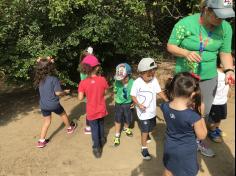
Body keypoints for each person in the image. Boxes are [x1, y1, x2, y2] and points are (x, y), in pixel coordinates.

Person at [167, 0, 235, 157]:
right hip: (185, 78)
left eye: (225, 16)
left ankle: (197, 141)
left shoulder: (225, 28)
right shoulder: (185, 24)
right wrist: (185, 53)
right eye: (218, 15)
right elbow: (171, 46)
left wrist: (229, 70)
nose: (221, 20)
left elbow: (224, 52)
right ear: (206, 10)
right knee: (182, 110)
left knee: (202, 112)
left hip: (209, 77)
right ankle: (178, 140)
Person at [161, 72, 207, 176]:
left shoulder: (164, 106)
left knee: (169, 169)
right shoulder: (193, 116)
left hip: (169, 146)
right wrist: (201, 115)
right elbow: (202, 136)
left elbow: (176, 113)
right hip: (186, 153)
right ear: (193, 94)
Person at [34, 56, 77, 148]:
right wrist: (64, 92)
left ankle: (41, 141)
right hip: (53, 104)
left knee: (47, 121)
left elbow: (39, 62)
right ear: (50, 67)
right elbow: (58, 93)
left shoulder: (39, 79)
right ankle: (69, 128)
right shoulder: (54, 79)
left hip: (43, 105)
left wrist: (47, 60)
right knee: (63, 113)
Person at [130, 57, 169, 160]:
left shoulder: (154, 80)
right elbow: (133, 96)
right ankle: (144, 149)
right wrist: (138, 104)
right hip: (143, 113)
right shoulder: (137, 83)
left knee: (152, 127)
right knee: (145, 131)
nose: (151, 76)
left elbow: (159, 91)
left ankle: (147, 133)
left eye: (152, 74)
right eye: (148, 75)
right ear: (141, 73)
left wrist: (166, 99)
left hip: (152, 112)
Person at [78, 55, 109, 158]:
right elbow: (105, 92)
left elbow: (80, 98)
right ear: (96, 67)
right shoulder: (102, 79)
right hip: (101, 108)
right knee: (101, 124)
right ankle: (102, 139)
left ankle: (96, 148)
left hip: (91, 110)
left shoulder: (83, 83)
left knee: (94, 128)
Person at [208, 56, 234, 142]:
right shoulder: (214, 74)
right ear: (221, 64)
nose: (233, 67)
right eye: (231, 64)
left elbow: (228, 83)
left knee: (220, 117)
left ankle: (216, 128)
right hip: (215, 102)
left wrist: (229, 89)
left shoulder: (227, 74)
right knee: (214, 119)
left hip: (223, 101)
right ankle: (212, 132)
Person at [113, 63, 134, 147]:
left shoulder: (133, 82)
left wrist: (134, 102)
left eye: (124, 78)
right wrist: (116, 92)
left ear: (129, 75)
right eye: (120, 78)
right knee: (118, 119)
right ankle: (117, 135)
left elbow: (135, 93)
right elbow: (115, 90)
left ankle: (126, 128)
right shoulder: (117, 82)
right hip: (118, 103)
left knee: (128, 118)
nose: (121, 80)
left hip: (128, 103)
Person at [78, 46, 94, 134]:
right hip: (90, 90)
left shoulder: (84, 68)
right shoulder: (86, 70)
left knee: (91, 106)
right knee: (91, 107)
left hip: (89, 90)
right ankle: (89, 126)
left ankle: (89, 126)